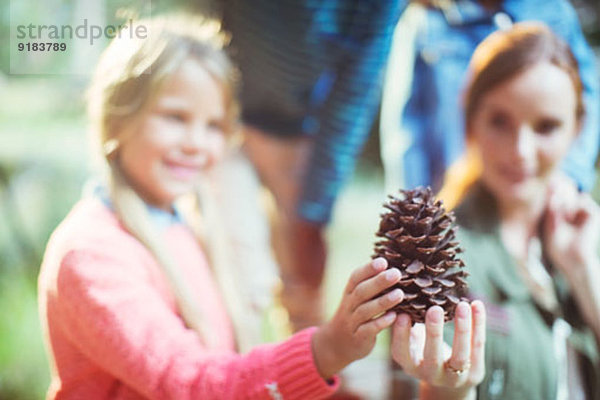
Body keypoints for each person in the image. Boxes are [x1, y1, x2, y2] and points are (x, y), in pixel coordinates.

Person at [37, 15, 485, 399]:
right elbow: (192, 386)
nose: (196, 144)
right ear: (117, 117)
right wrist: (327, 348)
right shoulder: (91, 255)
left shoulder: (188, 225)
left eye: (214, 125)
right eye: (175, 117)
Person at [219, 0, 408, 331]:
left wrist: (313, 213)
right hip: (221, 115)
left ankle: (306, 367)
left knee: (303, 275)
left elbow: (355, 89)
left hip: (301, 131)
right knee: (232, 272)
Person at [436, 22, 600, 399]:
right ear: (470, 120)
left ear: (577, 128)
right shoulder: (437, 255)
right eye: (500, 122)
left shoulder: (586, 235)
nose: (520, 151)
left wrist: (583, 272)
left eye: (545, 126)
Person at [380, 0, 599, 194]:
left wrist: (571, 177)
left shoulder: (551, 10)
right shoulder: (425, 19)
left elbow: (587, 99)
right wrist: (414, 208)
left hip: (536, 195)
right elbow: (407, 127)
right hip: (454, 198)